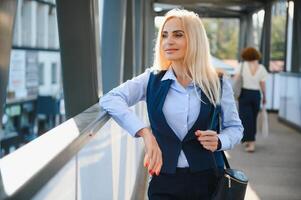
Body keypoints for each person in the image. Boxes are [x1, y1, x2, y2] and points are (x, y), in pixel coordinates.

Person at [100, 9, 243, 200]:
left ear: (194, 40)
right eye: (164, 35)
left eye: (178, 35)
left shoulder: (218, 82)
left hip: (208, 179)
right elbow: (110, 98)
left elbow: (235, 128)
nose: (168, 41)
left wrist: (219, 141)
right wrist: (145, 133)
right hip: (164, 179)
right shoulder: (151, 79)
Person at [234, 47, 268, 152]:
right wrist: (264, 97)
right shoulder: (261, 68)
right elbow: (263, 84)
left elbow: (236, 80)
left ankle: (251, 143)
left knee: (245, 119)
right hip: (256, 95)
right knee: (253, 119)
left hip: (244, 94)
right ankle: (249, 140)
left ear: (245, 55)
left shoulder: (242, 66)